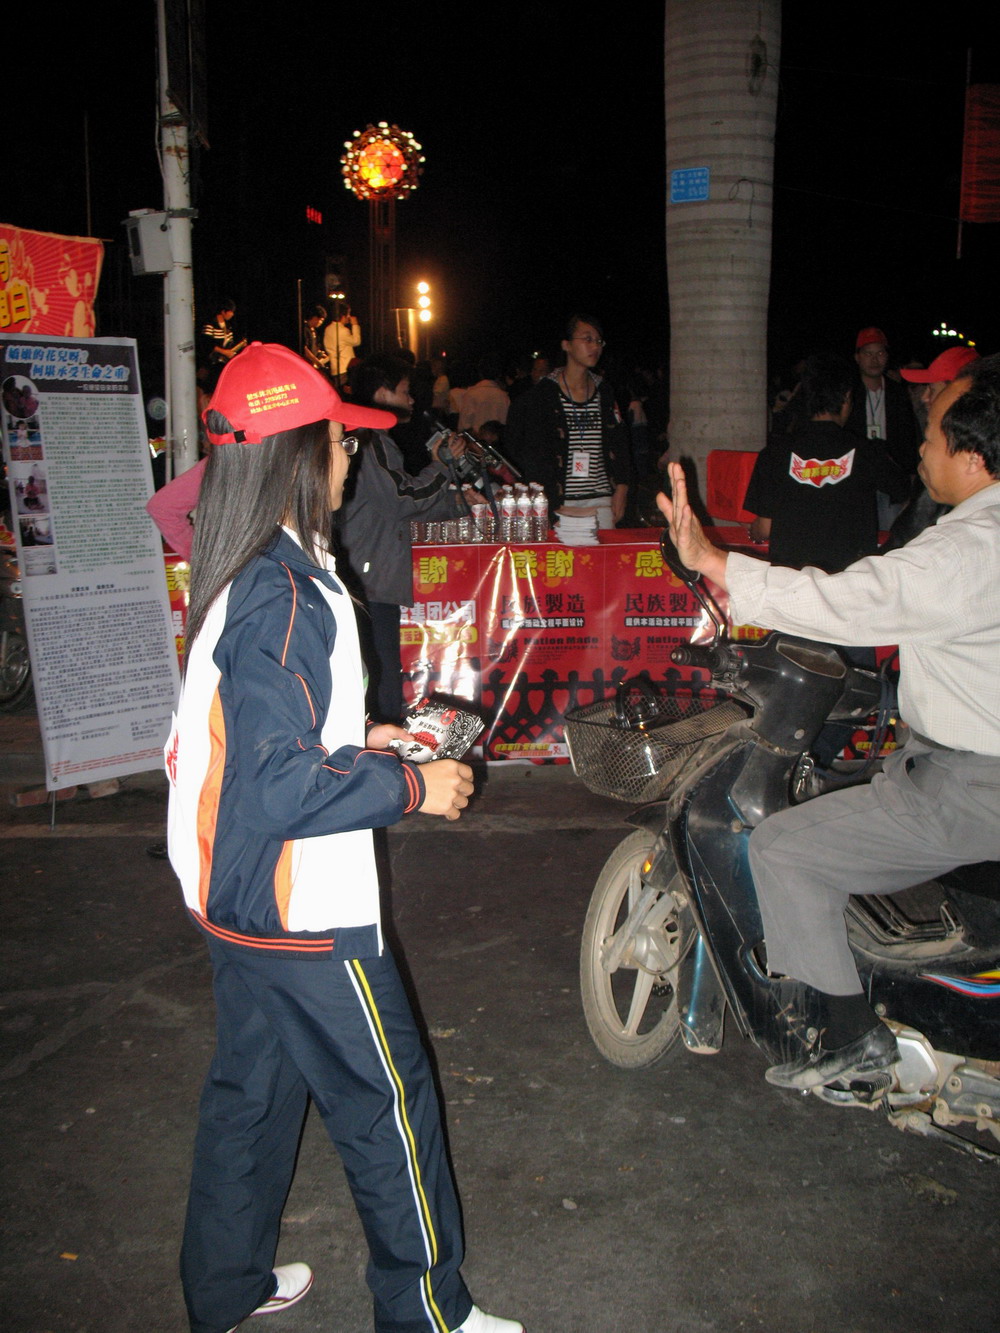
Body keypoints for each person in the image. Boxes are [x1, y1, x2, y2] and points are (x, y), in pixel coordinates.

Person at [166, 342, 522, 1333]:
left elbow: (261, 733)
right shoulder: (285, 589)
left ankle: (226, 1287)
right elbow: (281, 782)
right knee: (387, 1105)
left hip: (235, 898)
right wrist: (413, 783)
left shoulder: (244, 567)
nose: (350, 458)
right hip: (301, 910)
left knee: (251, 1092)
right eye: (339, 441)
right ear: (297, 452)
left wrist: (361, 736)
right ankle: (428, 1314)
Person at [657, 353, 1000, 1091]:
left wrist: (715, 561)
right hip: (944, 760)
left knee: (785, 847)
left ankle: (852, 1039)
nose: (920, 448)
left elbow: (856, 599)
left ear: (972, 457)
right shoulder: (960, 528)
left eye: (932, 436)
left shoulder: (969, 547)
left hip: (968, 788)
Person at [337, 354, 476, 724]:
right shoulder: (370, 441)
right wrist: (442, 466)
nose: (412, 400)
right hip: (368, 579)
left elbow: (401, 509)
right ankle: (378, 746)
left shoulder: (372, 441)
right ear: (382, 394)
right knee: (379, 674)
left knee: (382, 671)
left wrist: (457, 503)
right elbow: (402, 498)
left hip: (371, 574)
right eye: (404, 391)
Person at [744, 353, 906, 572]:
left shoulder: (774, 453)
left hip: (792, 577)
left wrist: (753, 533)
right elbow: (903, 490)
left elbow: (765, 528)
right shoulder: (867, 451)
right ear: (847, 398)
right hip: (851, 577)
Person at [505, 314, 630, 531]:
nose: (595, 347)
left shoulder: (604, 391)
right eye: (587, 339)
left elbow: (620, 442)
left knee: (604, 552)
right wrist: (543, 497)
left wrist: (622, 487)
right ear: (567, 345)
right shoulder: (543, 395)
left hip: (601, 498)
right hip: (561, 502)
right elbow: (527, 449)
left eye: (598, 341)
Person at [845, 326, 919, 526]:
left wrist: (910, 476)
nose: (874, 360)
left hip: (891, 477)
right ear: (857, 357)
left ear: (887, 356)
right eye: (868, 354)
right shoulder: (848, 392)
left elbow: (909, 436)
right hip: (857, 477)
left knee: (890, 533)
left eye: (879, 353)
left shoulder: (898, 392)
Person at [457, 357, 510, 433]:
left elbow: (463, 424)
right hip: (497, 438)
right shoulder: (504, 396)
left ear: (480, 373)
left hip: (475, 438)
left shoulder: (471, 394)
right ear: (499, 374)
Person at [323, 305, 361, 385]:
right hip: (345, 369)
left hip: (334, 368)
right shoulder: (343, 330)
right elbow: (356, 341)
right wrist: (355, 325)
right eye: (348, 314)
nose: (349, 317)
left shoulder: (328, 329)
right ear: (343, 316)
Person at [302, 303, 330, 374]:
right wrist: (317, 362)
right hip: (306, 364)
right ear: (314, 318)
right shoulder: (305, 329)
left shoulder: (313, 330)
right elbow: (305, 349)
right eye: (321, 320)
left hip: (312, 364)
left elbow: (314, 347)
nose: (321, 323)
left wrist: (319, 354)